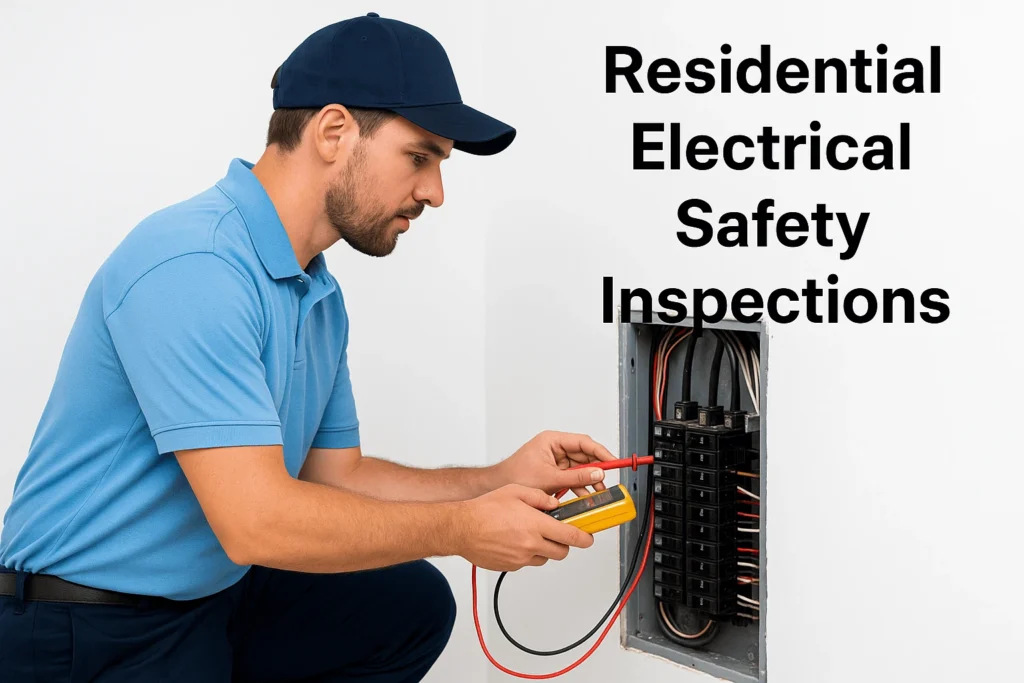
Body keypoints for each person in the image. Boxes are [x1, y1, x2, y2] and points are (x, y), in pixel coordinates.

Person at [0, 13, 617, 682]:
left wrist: (497, 480)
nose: (435, 193)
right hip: (88, 628)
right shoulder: (193, 263)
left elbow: (336, 478)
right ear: (333, 131)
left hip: (211, 599)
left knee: (404, 604)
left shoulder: (314, 295)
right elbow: (257, 522)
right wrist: (463, 528)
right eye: (421, 156)